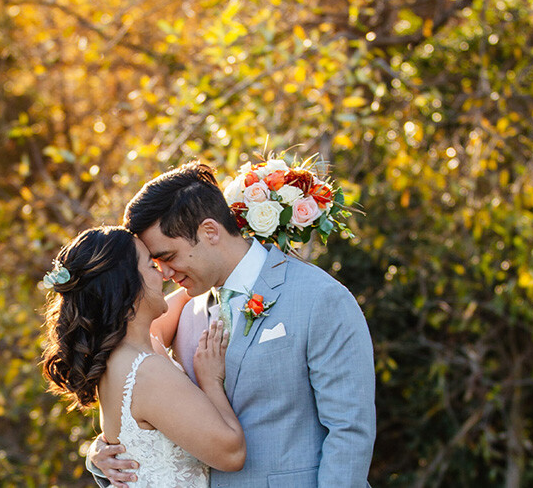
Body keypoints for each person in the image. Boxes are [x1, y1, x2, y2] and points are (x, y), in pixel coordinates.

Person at [88, 162, 376, 487]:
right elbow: (137, 389)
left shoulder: (319, 297)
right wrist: (102, 452)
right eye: (155, 263)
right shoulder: (185, 313)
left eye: (168, 256)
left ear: (210, 232)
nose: (164, 273)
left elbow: (350, 430)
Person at [41, 226, 247, 487]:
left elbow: (179, 301)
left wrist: (213, 269)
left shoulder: (126, 351)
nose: (163, 273)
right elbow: (232, 454)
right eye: (151, 265)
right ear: (127, 284)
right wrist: (210, 381)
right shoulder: (147, 372)